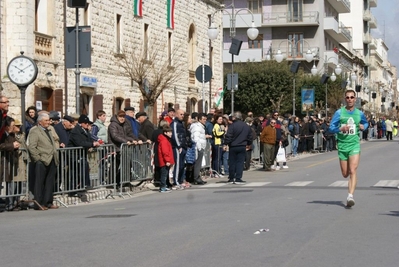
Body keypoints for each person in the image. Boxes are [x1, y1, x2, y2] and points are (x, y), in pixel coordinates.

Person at [329, 89, 368, 207]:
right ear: (345, 99)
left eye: (352, 97)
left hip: (354, 144)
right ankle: (350, 189)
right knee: (345, 174)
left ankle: (350, 196)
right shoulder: (339, 113)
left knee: (353, 170)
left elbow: (366, 123)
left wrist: (363, 126)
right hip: (342, 145)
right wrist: (340, 129)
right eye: (348, 97)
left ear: (355, 99)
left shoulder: (359, 113)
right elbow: (331, 128)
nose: (350, 99)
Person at [27, 113, 59, 210]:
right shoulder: (35, 131)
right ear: (40, 122)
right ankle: (39, 203)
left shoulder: (48, 131)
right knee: (39, 183)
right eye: (46, 120)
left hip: (51, 159)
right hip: (41, 160)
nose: (48, 122)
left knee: (50, 182)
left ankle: (48, 202)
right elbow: (32, 147)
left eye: (49, 120)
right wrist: (38, 159)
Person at [68, 115, 101, 190]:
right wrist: (92, 144)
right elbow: (79, 142)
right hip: (74, 155)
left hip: (82, 154)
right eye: (86, 123)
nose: (88, 125)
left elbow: (89, 140)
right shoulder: (75, 131)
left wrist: (94, 144)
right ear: (81, 123)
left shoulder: (85, 131)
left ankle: (84, 186)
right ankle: (73, 189)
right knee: (76, 173)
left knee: (84, 169)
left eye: (88, 123)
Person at [223, 111, 252, 184]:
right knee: (240, 162)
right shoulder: (246, 126)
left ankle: (231, 178)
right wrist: (249, 143)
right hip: (242, 145)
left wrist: (225, 144)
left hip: (233, 146)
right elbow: (250, 136)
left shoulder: (232, 126)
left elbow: (228, 136)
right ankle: (238, 178)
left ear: (235, 117)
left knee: (232, 162)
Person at [170, 109, 188, 188]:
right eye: (181, 114)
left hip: (183, 146)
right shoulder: (174, 123)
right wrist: (178, 146)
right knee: (177, 165)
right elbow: (174, 135)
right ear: (176, 114)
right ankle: (176, 181)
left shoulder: (182, 123)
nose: (182, 116)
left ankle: (181, 180)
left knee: (182, 165)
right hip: (178, 147)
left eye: (183, 114)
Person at [190, 113, 208, 185]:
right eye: (203, 119)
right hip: (198, 147)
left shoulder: (201, 126)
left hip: (200, 146)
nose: (205, 121)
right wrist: (199, 147)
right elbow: (196, 138)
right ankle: (196, 178)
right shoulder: (197, 127)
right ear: (199, 119)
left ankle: (197, 177)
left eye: (205, 119)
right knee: (197, 163)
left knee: (198, 164)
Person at [157, 125, 175, 192]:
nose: (171, 134)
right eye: (169, 132)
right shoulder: (164, 141)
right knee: (164, 174)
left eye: (171, 132)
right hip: (164, 161)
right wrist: (167, 160)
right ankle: (162, 186)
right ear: (165, 133)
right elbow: (165, 152)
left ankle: (164, 186)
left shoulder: (166, 140)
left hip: (166, 160)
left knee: (165, 173)